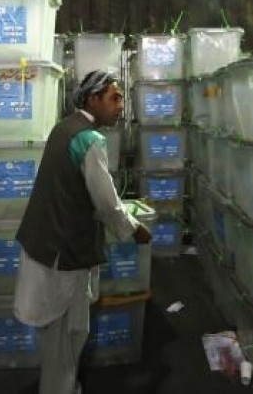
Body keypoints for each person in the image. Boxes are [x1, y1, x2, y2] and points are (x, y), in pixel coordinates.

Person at [14, 70, 153, 394]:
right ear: (93, 99)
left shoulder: (63, 128)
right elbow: (106, 203)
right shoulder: (90, 139)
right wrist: (134, 230)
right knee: (66, 335)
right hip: (62, 252)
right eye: (114, 98)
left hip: (45, 245)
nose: (121, 106)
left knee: (64, 332)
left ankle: (63, 386)